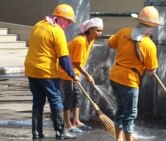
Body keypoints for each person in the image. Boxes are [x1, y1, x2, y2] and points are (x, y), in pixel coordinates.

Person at [24, 4, 79, 140]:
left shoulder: (38, 25)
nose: (68, 24)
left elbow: (31, 44)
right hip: (46, 72)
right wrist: (73, 75)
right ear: (60, 18)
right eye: (68, 21)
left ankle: (36, 133)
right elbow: (64, 59)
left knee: (38, 101)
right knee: (56, 100)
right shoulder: (57, 31)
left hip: (31, 69)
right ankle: (61, 132)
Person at [108, 6, 160, 141]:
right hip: (129, 81)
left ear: (138, 21)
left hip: (114, 77)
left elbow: (110, 43)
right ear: (152, 26)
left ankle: (118, 139)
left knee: (121, 109)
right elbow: (150, 72)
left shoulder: (124, 31)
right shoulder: (149, 45)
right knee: (130, 114)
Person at [58, 18, 104, 133]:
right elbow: (76, 62)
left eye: (101, 31)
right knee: (69, 97)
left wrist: (82, 74)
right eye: (98, 30)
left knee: (76, 97)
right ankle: (68, 124)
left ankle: (76, 121)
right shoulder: (81, 41)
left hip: (75, 73)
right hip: (66, 72)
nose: (100, 33)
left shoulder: (90, 41)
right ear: (90, 29)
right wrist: (87, 75)